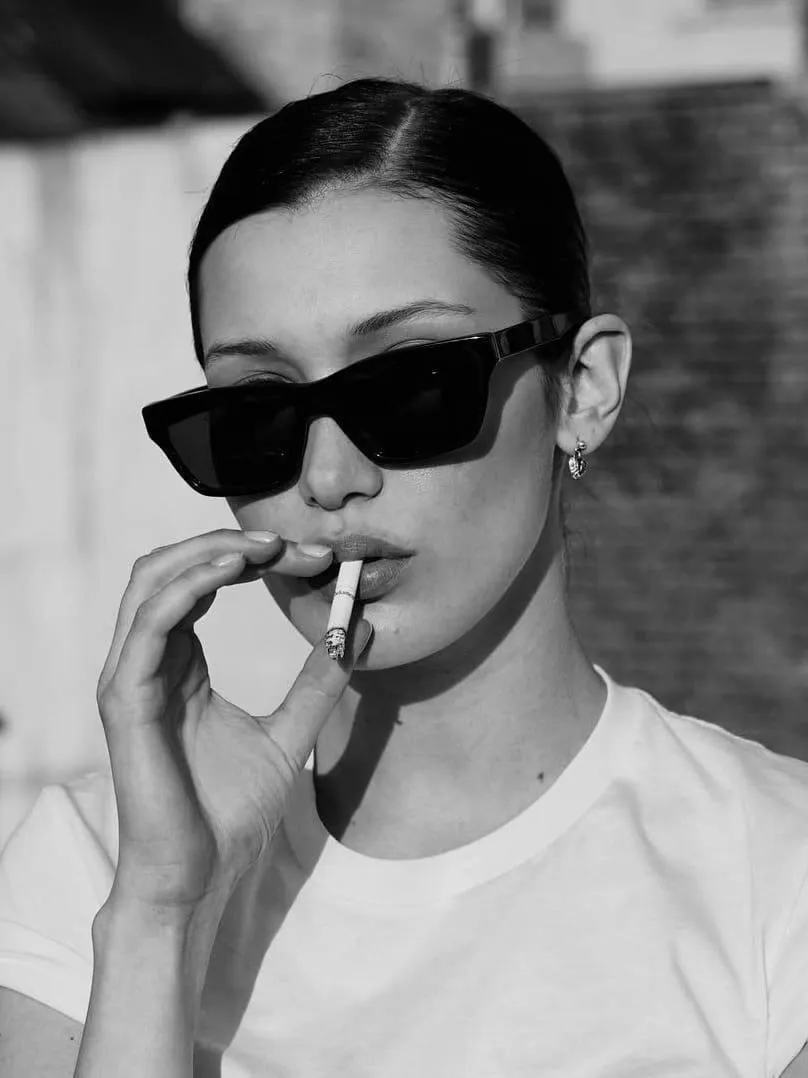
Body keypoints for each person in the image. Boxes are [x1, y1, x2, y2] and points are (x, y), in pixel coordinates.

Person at [1, 75, 807, 1078]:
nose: (329, 477)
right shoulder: (97, 866)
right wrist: (163, 919)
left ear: (583, 391)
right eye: (256, 413)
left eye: (415, 383)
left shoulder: (774, 885)